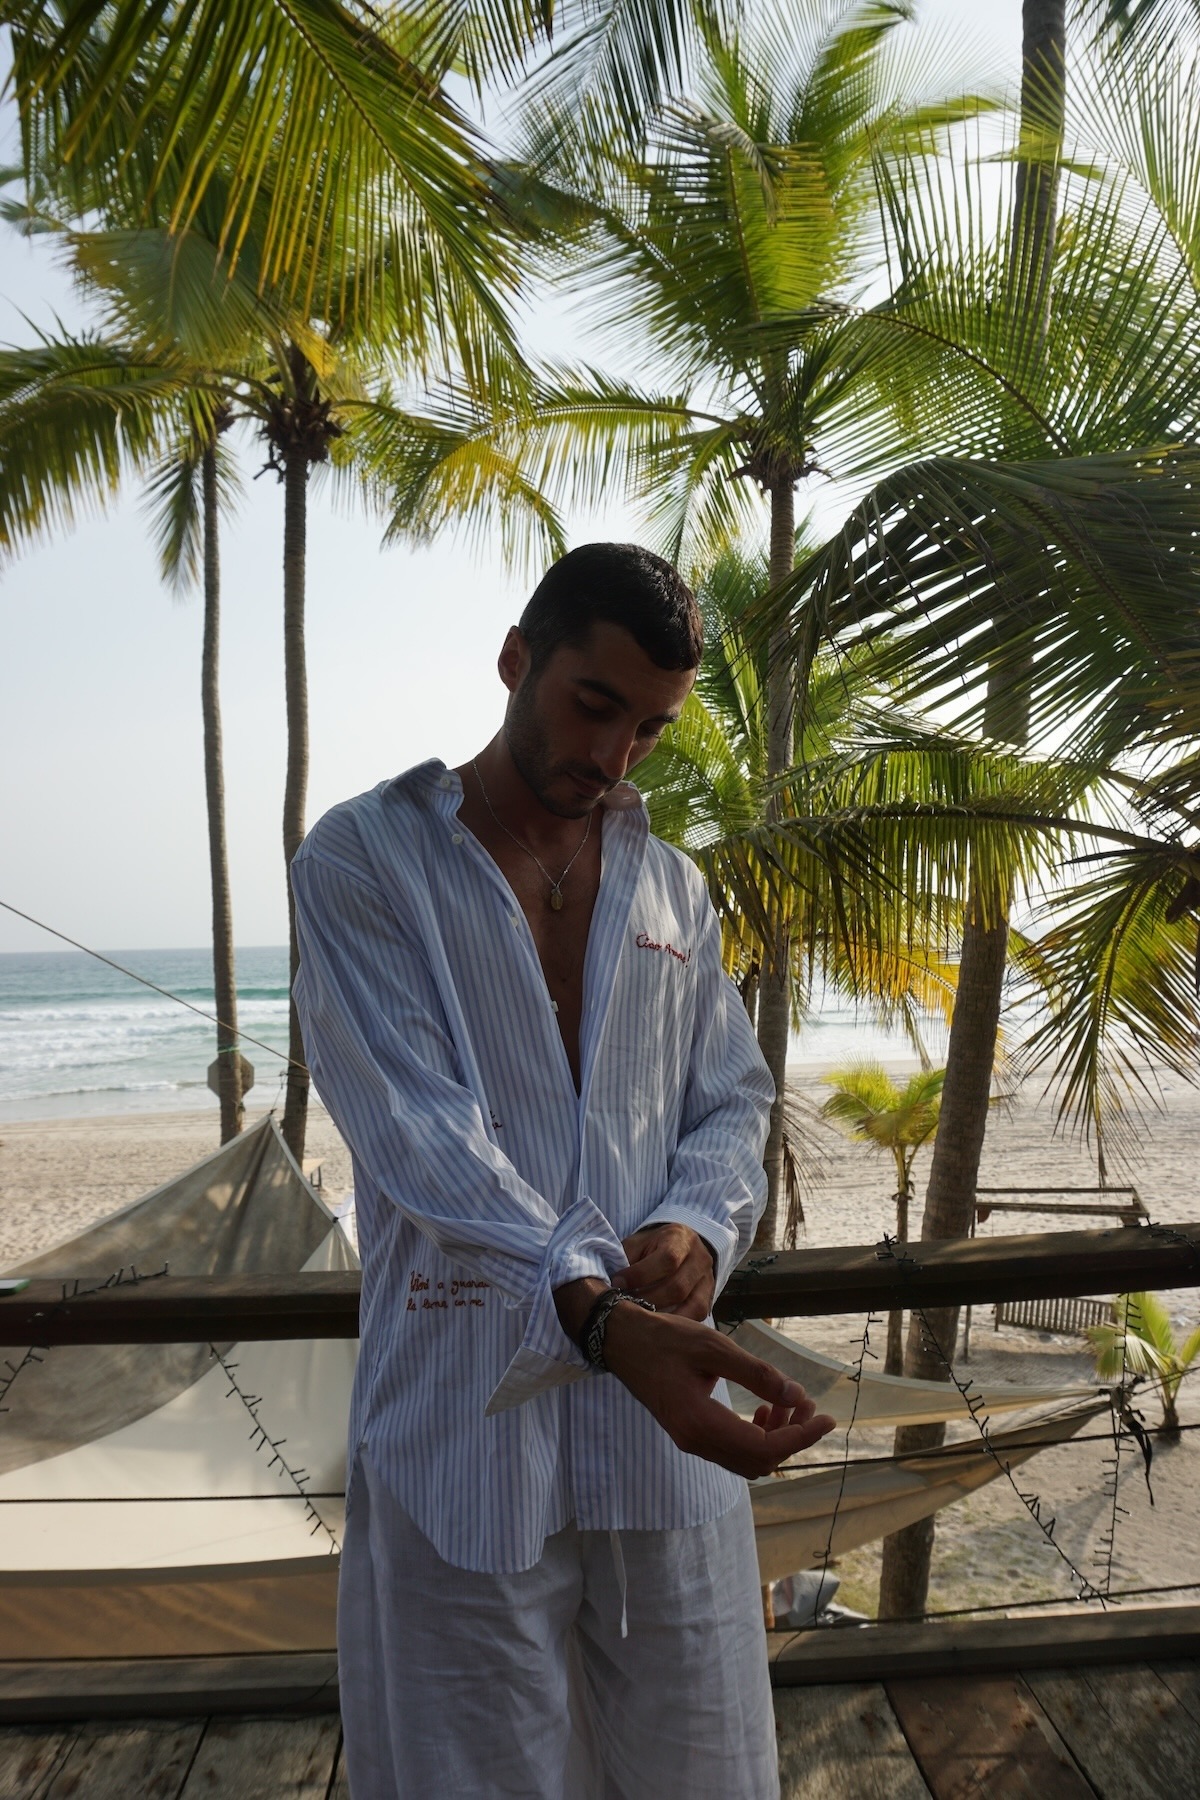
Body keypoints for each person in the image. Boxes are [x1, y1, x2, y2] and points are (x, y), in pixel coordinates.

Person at [291, 542, 835, 1799]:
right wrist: (596, 1315)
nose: (615, 754)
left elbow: (731, 1098)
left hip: (666, 1450)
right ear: (515, 658)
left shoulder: (673, 889)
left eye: (649, 729)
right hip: (461, 1435)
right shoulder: (363, 862)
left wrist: (696, 1228)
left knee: (705, 1773)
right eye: (595, 705)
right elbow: (417, 1134)